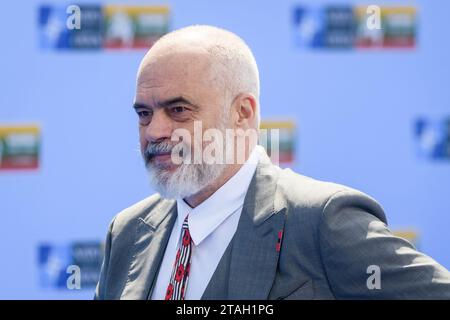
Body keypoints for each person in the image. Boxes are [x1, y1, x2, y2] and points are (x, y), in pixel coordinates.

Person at [95, 25, 450, 300]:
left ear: (242, 113)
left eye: (179, 110)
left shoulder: (322, 221)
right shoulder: (128, 231)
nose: (155, 130)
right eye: (144, 113)